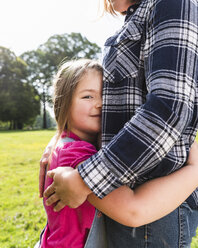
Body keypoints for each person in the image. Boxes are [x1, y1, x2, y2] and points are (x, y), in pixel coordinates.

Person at [41, 0, 198, 246]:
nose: (101, 104)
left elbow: (170, 107)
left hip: (152, 209)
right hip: (129, 202)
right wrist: (65, 137)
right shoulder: (137, 20)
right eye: (89, 97)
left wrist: (83, 178)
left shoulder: (171, 4)